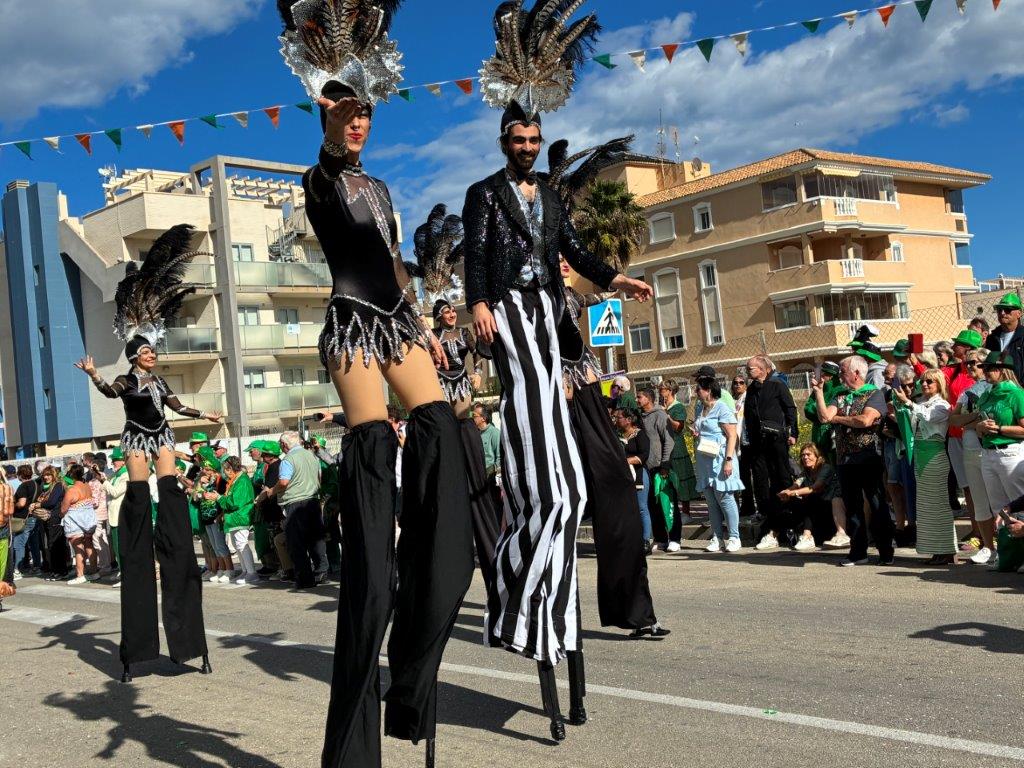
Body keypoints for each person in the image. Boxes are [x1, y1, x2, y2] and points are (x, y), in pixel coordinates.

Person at [275, 2, 477, 763]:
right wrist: (326, 90)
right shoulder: (318, 179)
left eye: (364, 113)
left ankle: (427, 584)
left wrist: (426, 320)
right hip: (353, 330)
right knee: (370, 477)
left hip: (398, 322)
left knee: (444, 438)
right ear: (327, 114)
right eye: (345, 112)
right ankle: (375, 580)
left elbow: (395, 265)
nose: (358, 123)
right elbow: (330, 182)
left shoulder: (384, 189)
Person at [463, 0, 652, 743]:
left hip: (551, 313)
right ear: (504, 141)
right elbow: (478, 258)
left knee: (568, 488)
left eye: (536, 139)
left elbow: (573, 249)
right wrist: (477, 303)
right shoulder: (485, 196)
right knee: (539, 448)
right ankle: (528, 544)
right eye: (518, 138)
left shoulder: (552, 201)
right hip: (509, 316)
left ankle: (542, 556)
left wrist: (617, 280)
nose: (528, 147)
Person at [74, 224, 219, 681]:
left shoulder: (158, 382)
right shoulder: (131, 380)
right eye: (148, 353)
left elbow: (176, 407)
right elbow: (111, 393)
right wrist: (95, 374)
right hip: (137, 439)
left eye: (154, 353)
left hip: (163, 439)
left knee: (171, 492)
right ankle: (139, 539)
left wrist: (205, 415)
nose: (154, 356)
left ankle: (174, 542)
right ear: (136, 355)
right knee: (140, 498)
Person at [547, 138, 665, 640]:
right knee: (554, 506)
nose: (565, 261)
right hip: (550, 408)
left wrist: (622, 283)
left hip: (588, 405)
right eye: (556, 255)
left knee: (617, 495)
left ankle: (635, 612)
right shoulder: (528, 306)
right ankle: (537, 605)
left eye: (566, 255)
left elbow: (591, 273)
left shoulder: (575, 301)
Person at [812, 356, 895, 566]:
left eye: (842, 372)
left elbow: (865, 420)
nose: (839, 376)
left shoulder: (873, 393)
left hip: (868, 457)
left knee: (876, 503)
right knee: (852, 505)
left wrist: (837, 419)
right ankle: (858, 552)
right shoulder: (840, 394)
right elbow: (824, 417)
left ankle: (886, 551)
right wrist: (819, 393)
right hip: (844, 458)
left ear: (856, 373)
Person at [894, 369, 956, 564]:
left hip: (935, 457)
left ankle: (947, 550)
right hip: (920, 457)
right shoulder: (920, 403)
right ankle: (936, 550)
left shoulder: (942, 405)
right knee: (927, 507)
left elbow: (928, 417)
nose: (925, 384)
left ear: (939, 384)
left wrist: (908, 403)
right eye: (923, 381)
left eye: (930, 381)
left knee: (939, 506)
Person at [745, 355, 798, 550]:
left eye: (751, 368)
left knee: (782, 479)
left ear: (763, 369)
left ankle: (790, 525)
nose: (748, 371)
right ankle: (770, 527)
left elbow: (790, 409)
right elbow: (749, 417)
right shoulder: (751, 390)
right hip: (758, 444)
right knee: (761, 483)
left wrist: (793, 432)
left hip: (777, 440)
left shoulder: (777, 385)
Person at [949, 348, 996, 564]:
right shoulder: (967, 391)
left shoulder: (995, 388)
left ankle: (1003, 542)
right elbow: (954, 420)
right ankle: (988, 546)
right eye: (967, 363)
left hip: (989, 448)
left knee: (997, 497)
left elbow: (993, 418)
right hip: (970, 446)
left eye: (974, 363)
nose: (969, 367)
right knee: (978, 498)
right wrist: (976, 418)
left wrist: (968, 421)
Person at [692, 377, 744, 553]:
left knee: (725, 498)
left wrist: (728, 460)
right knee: (711, 500)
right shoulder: (701, 408)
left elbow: (732, 435)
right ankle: (717, 537)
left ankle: (734, 537)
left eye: (698, 389)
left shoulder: (721, 407)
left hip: (720, 458)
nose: (695, 392)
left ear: (708, 390)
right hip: (705, 458)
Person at [975, 351, 1024, 535]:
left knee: (1018, 505)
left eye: (990, 368)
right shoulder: (986, 395)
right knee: (998, 509)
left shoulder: (1017, 394)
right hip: (988, 452)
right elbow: (978, 426)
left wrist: (1000, 429)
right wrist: (980, 427)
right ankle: (1006, 555)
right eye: (985, 368)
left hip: (1011, 452)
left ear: (1003, 370)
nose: (986, 371)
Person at [777, 444, 840, 550]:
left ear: (817, 456)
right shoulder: (805, 472)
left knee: (810, 497)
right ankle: (772, 534)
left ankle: (807, 536)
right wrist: (786, 492)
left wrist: (794, 493)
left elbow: (815, 488)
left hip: (828, 510)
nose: (805, 457)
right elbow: (796, 485)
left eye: (808, 454)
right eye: (803, 455)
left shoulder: (826, 468)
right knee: (784, 501)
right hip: (814, 512)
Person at [638, 387, 678, 552]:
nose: (637, 400)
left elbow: (668, 440)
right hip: (646, 468)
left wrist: (665, 464)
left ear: (648, 398)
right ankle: (661, 538)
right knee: (652, 505)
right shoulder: (640, 417)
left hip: (661, 467)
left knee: (667, 503)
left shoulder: (660, 415)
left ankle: (674, 538)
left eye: (639, 397)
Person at [212, 456, 258, 585]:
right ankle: (245, 571)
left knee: (242, 544)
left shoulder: (242, 480)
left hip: (240, 516)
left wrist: (219, 498)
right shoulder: (235, 480)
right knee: (237, 545)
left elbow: (235, 502)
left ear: (230, 468)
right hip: (234, 518)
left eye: (225, 469)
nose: (224, 472)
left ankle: (251, 572)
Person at [659, 380, 698, 529]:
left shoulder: (678, 407)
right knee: (667, 481)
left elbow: (679, 427)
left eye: (663, 389)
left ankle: (686, 512)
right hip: (664, 448)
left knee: (681, 477)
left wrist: (666, 415)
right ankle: (671, 511)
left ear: (670, 391)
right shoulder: (661, 407)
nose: (660, 391)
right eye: (660, 388)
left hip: (677, 447)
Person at [615, 408, 653, 549]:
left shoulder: (640, 435)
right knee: (625, 509)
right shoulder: (616, 434)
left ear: (629, 420)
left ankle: (645, 540)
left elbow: (644, 455)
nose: (616, 420)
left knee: (641, 508)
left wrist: (626, 461)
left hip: (638, 476)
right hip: (621, 477)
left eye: (619, 417)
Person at [60, 464, 99, 584]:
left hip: (75, 520)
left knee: (78, 548)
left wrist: (61, 515)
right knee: (89, 545)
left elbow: (63, 509)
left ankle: (80, 575)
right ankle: (94, 572)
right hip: (88, 518)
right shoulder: (87, 486)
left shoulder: (72, 490)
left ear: (71, 474)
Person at [30, 467, 67, 581]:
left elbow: (52, 502)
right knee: (51, 545)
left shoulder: (58, 486)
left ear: (54, 475)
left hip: (55, 518)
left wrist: (37, 505)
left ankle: (61, 571)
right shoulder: (46, 487)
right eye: (44, 475)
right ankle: (55, 570)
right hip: (48, 519)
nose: (46, 477)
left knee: (56, 545)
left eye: (48, 475)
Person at [101, 448, 129, 586]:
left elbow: (116, 492)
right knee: (117, 548)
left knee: (121, 548)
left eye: (115, 460)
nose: (113, 463)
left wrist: (105, 482)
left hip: (120, 516)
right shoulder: (116, 476)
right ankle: (121, 572)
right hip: (113, 516)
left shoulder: (126, 476)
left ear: (123, 461)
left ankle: (126, 576)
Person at [731, 375, 756, 517]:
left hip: (747, 441)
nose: (738, 385)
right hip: (739, 442)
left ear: (746, 385)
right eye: (735, 383)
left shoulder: (748, 398)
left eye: (741, 383)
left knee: (747, 475)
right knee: (742, 475)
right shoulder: (736, 401)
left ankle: (749, 507)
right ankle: (746, 506)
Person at [984, 293, 1024, 383]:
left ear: (1019, 313)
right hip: (997, 389)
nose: (1002, 313)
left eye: (1007, 310)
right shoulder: (992, 338)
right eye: (999, 310)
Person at [11, 465, 41, 580]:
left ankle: (17, 570)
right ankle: (37, 567)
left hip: (23, 518)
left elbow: (22, 503)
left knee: (18, 544)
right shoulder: (35, 484)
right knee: (34, 544)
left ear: (20, 475)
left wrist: (14, 505)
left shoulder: (23, 486)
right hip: (34, 517)